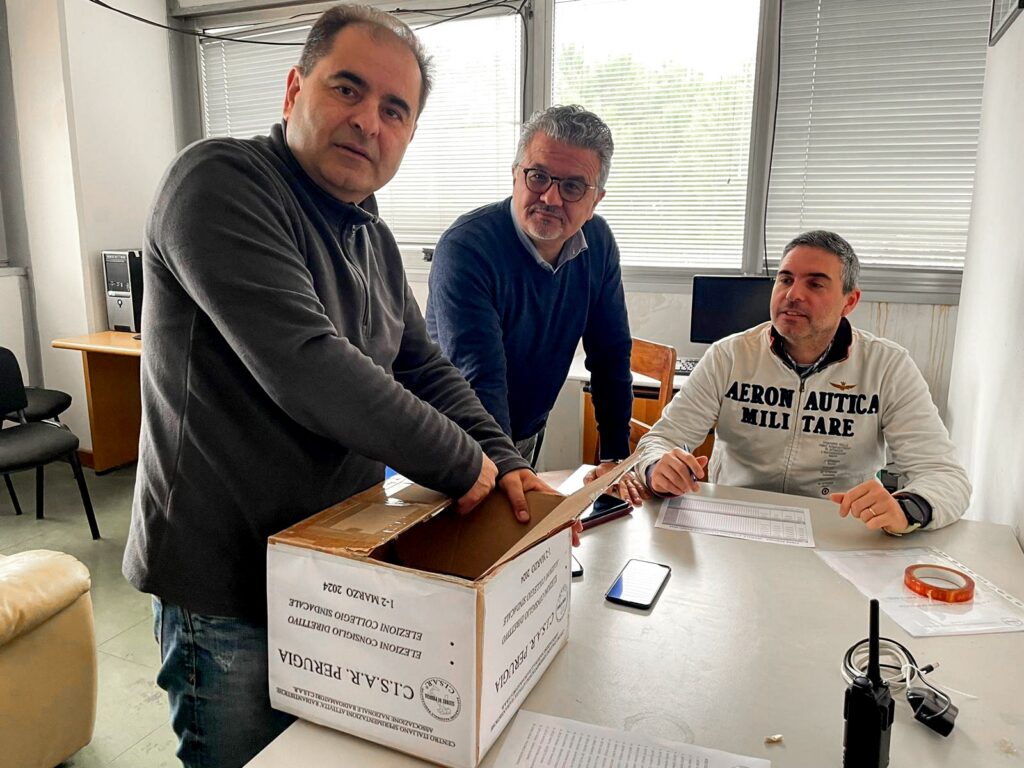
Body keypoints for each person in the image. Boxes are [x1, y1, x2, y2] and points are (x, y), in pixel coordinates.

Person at [122, 6, 552, 766]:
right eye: (347, 89)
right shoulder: (218, 182)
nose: (368, 121)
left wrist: (504, 458)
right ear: (295, 89)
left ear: (409, 134)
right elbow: (307, 364)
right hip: (225, 583)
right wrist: (466, 467)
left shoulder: (369, 233)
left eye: (395, 109)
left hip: (331, 567)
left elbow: (423, 365)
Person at [636, 230, 971, 532]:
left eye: (815, 284)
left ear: (849, 301)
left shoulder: (888, 366)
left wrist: (907, 508)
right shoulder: (729, 356)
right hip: (734, 523)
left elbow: (944, 476)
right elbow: (661, 440)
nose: (793, 294)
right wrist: (656, 468)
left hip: (837, 529)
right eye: (785, 279)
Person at [426, 105, 644, 501]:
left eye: (573, 186)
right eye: (538, 176)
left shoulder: (598, 243)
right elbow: (479, 376)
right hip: (452, 438)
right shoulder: (467, 247)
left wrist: (615, 456)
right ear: (515, 174)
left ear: (596, 200)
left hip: (525, 430)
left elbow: (611, 353)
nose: (550, 197)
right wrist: (509, 466)